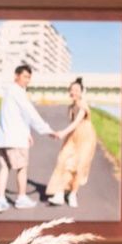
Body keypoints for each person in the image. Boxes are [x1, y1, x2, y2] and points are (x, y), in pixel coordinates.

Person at [0, 64, 60, 212]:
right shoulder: (17, 92)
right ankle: (21, 198)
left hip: (4, 138)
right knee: (22, 168)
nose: (27, 80)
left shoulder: (8, 92)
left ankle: (1, 200)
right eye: (25, 76)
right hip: (15, 140)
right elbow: (30, 113)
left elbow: (15, 116)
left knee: (4, 168)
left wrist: (27, 133)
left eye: (29, 77)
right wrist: (47, 130)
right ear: (16, 75)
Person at [45, 77, 98, 209]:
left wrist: (62, 133)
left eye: (76, 90)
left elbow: (77, 122)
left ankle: (73, 194)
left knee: (79, 166)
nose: (73, 92)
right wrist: (63, 134)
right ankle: (59, 193)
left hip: (86, 139)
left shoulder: (83, 105)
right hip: (73, 137)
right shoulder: (71, 107)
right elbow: (73, 125)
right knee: (63, 161)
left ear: (81, 92)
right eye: (72, 89)